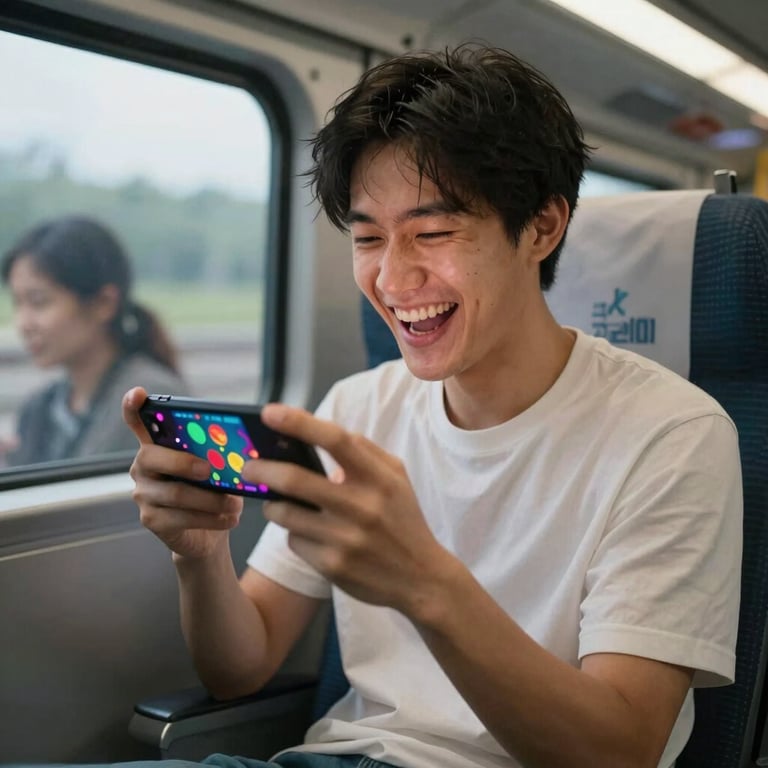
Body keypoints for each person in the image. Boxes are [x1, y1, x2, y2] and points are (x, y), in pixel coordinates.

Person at [120, 44, 741, 768]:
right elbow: (240, 667)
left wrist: (425, 583)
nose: (393, 277)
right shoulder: (357, 408)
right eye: (368, 238)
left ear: (542, 227)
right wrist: (200, 559)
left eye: (434, 233)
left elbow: (619, 751)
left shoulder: (672, 434)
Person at [1, 215, 186, 466]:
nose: (23, 323)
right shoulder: (38, 408)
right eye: (18, 303)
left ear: (103, 303)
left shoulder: (148, 400)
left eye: (38, 302)